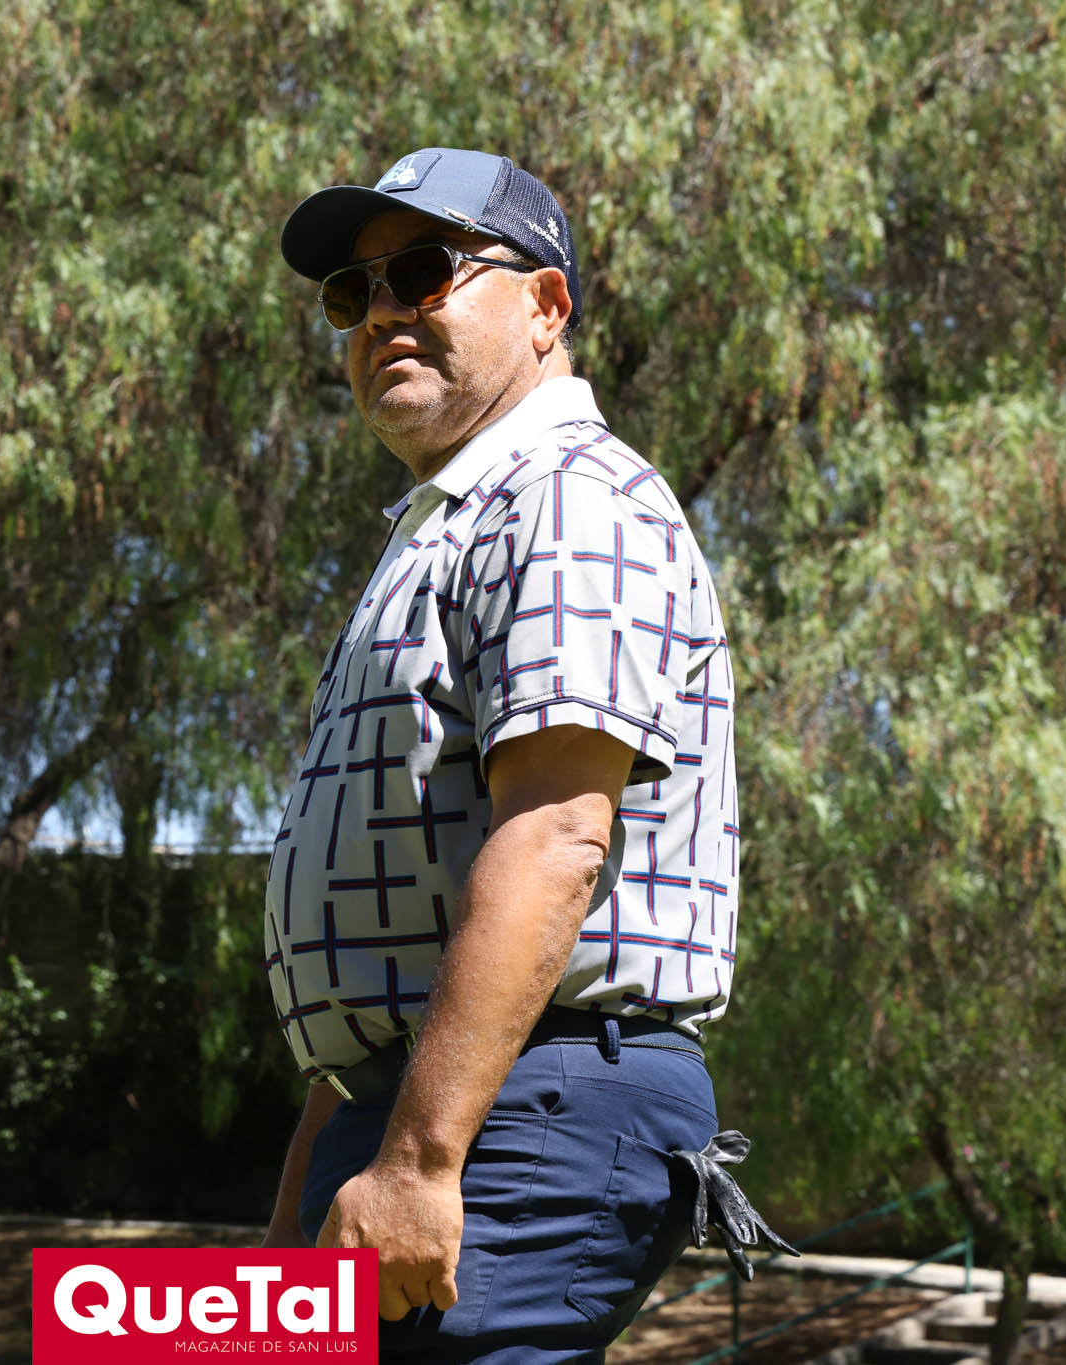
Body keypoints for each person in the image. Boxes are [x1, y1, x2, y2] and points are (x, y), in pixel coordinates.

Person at [261, 148, 751, 1362]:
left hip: (523, 1106)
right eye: (352, 292)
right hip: (428, 1105)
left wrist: (419, 1160)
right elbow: (397, 934)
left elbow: (554, 838)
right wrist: (290, 1230)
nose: (381, 311)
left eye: (423, 271)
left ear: (544, 306)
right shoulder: (453, 524)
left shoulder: (567, 496)